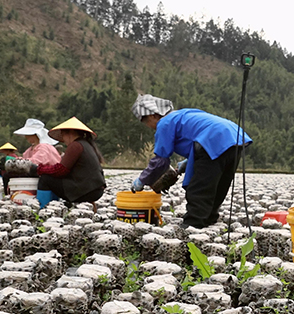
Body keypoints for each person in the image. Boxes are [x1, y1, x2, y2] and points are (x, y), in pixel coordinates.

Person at [131, 94, 252, 229]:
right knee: (218, 183)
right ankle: (210, 218)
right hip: (234, 138)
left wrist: (142, 180)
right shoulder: (182, 114)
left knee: (199, 186)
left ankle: (194, 223)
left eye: (146, 121)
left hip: (213, 139)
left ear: (153, 115)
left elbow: (160, 161)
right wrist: (188, 163)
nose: (148, 126)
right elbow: (198, 137)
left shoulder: (165, 123)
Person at [35, 117, 106, 207]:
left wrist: (40, 169)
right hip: (95, 188)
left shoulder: (75, 145)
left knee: (45, 179)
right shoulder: (86, 144)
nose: (63, 140)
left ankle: (43, 208)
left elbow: (61, 170)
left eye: (63, 135)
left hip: (86, 189)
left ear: (70, 133)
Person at [2, 119, 62, 192]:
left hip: (48, 175)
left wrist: (17, 160)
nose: (26, 136)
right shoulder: (30, 150)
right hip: (39, 172)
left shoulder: (44, 147)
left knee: (8, 175)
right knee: (8, 174)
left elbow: (36, 162)